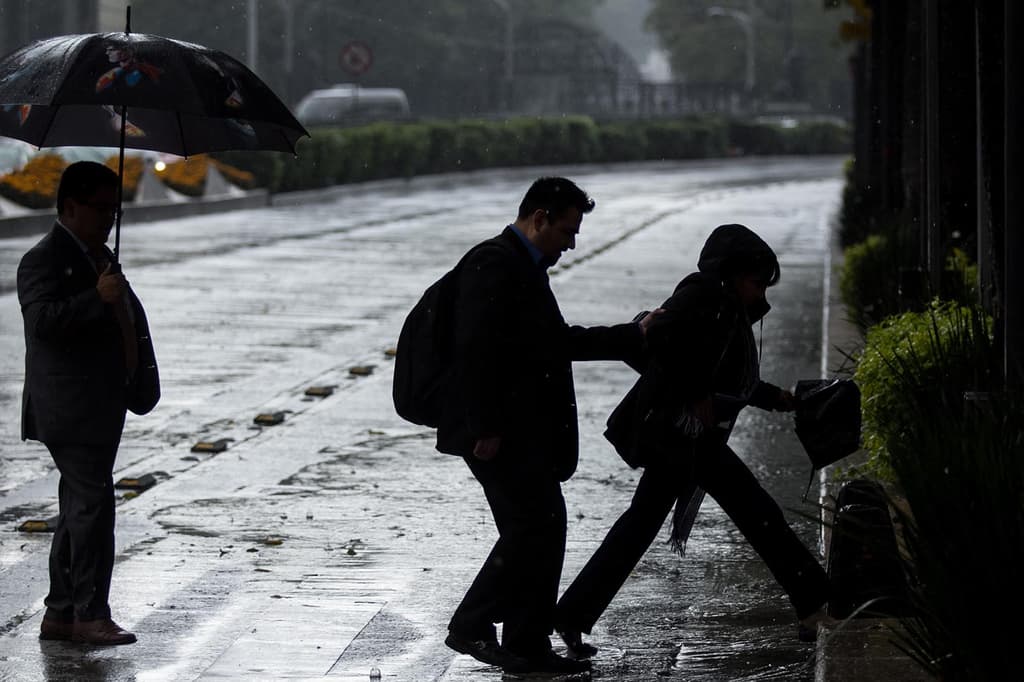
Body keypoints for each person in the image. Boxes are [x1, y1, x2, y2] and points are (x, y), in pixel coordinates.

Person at [553, 223, 835, 657]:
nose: (762, 295)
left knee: (643, 525)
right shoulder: (702, 295)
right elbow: (654, 344)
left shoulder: (725, 310)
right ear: (731, 272)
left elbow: (727, 378)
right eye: (756, 282)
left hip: (686, 438)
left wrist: (776, 398)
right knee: (757, 513)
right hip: (682, 436)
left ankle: (572, 614)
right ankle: (814, 601)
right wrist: (694, 393)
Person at [437, 177, 651, 677]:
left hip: (517, 427)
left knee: (541, 525)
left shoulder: (523, 268)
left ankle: (527, 645)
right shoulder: (493, 264)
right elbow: (474, 350)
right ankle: (472, 624)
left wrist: (631, 335)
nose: (571, 243)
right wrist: (484, 424)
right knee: (533, 526)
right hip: (493, 429)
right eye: (567, 231)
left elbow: (552, 342)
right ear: (539, 219)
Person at [18, 161, 160, 646]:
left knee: (79, 506)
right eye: (100, 209)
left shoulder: (100, 256)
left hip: (102, 403)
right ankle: (90, 614)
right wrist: (96, 298)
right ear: (70, 207)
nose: (108, 219)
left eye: (114, 210)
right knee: (94, 506)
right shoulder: (43, 259)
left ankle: (60, 612)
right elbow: (43, 324)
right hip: (69, 407)